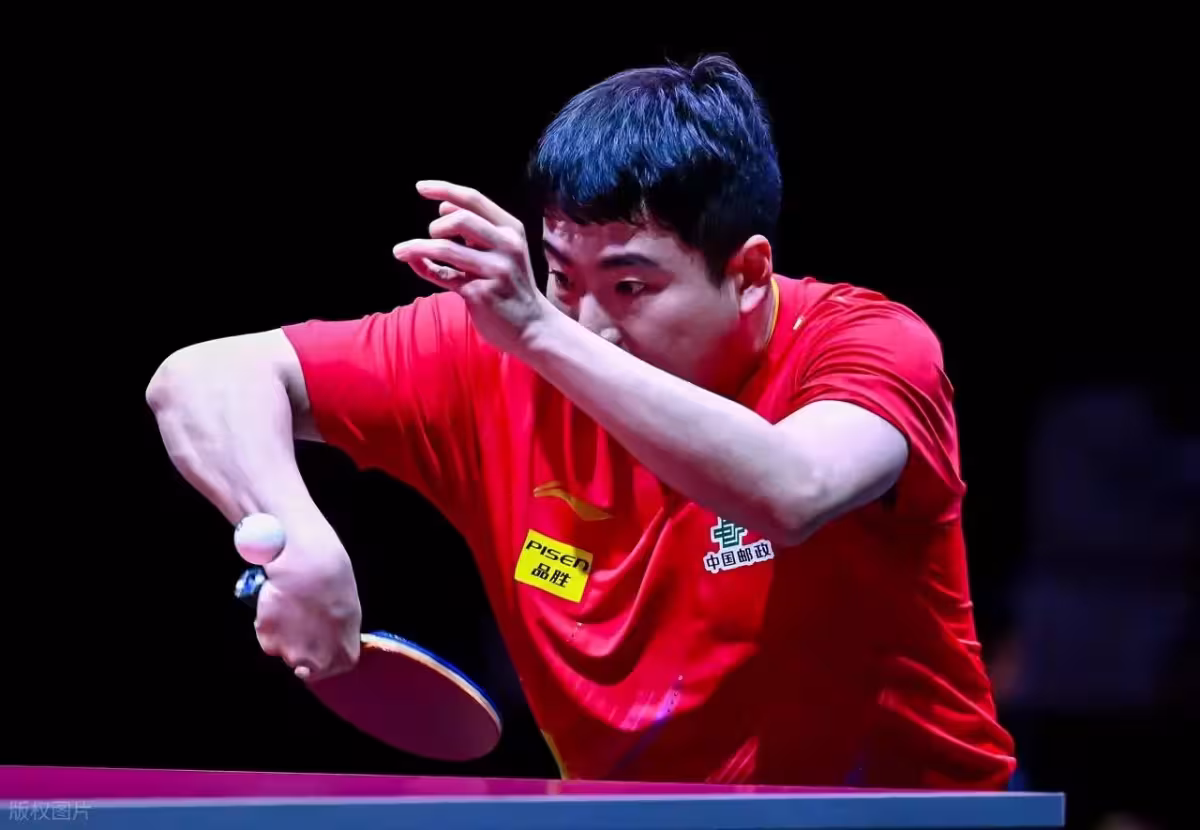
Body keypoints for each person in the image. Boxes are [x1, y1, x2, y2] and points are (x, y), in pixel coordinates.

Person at [147, 55, 1015, 788]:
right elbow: (199, 379)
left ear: (750, 273)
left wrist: (537, 326)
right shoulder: (493, 348)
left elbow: (795, 490)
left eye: (630, 286)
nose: (589, 323)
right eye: (563, 277)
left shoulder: (868, 345)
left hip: (913, 818)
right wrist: (294, 534)